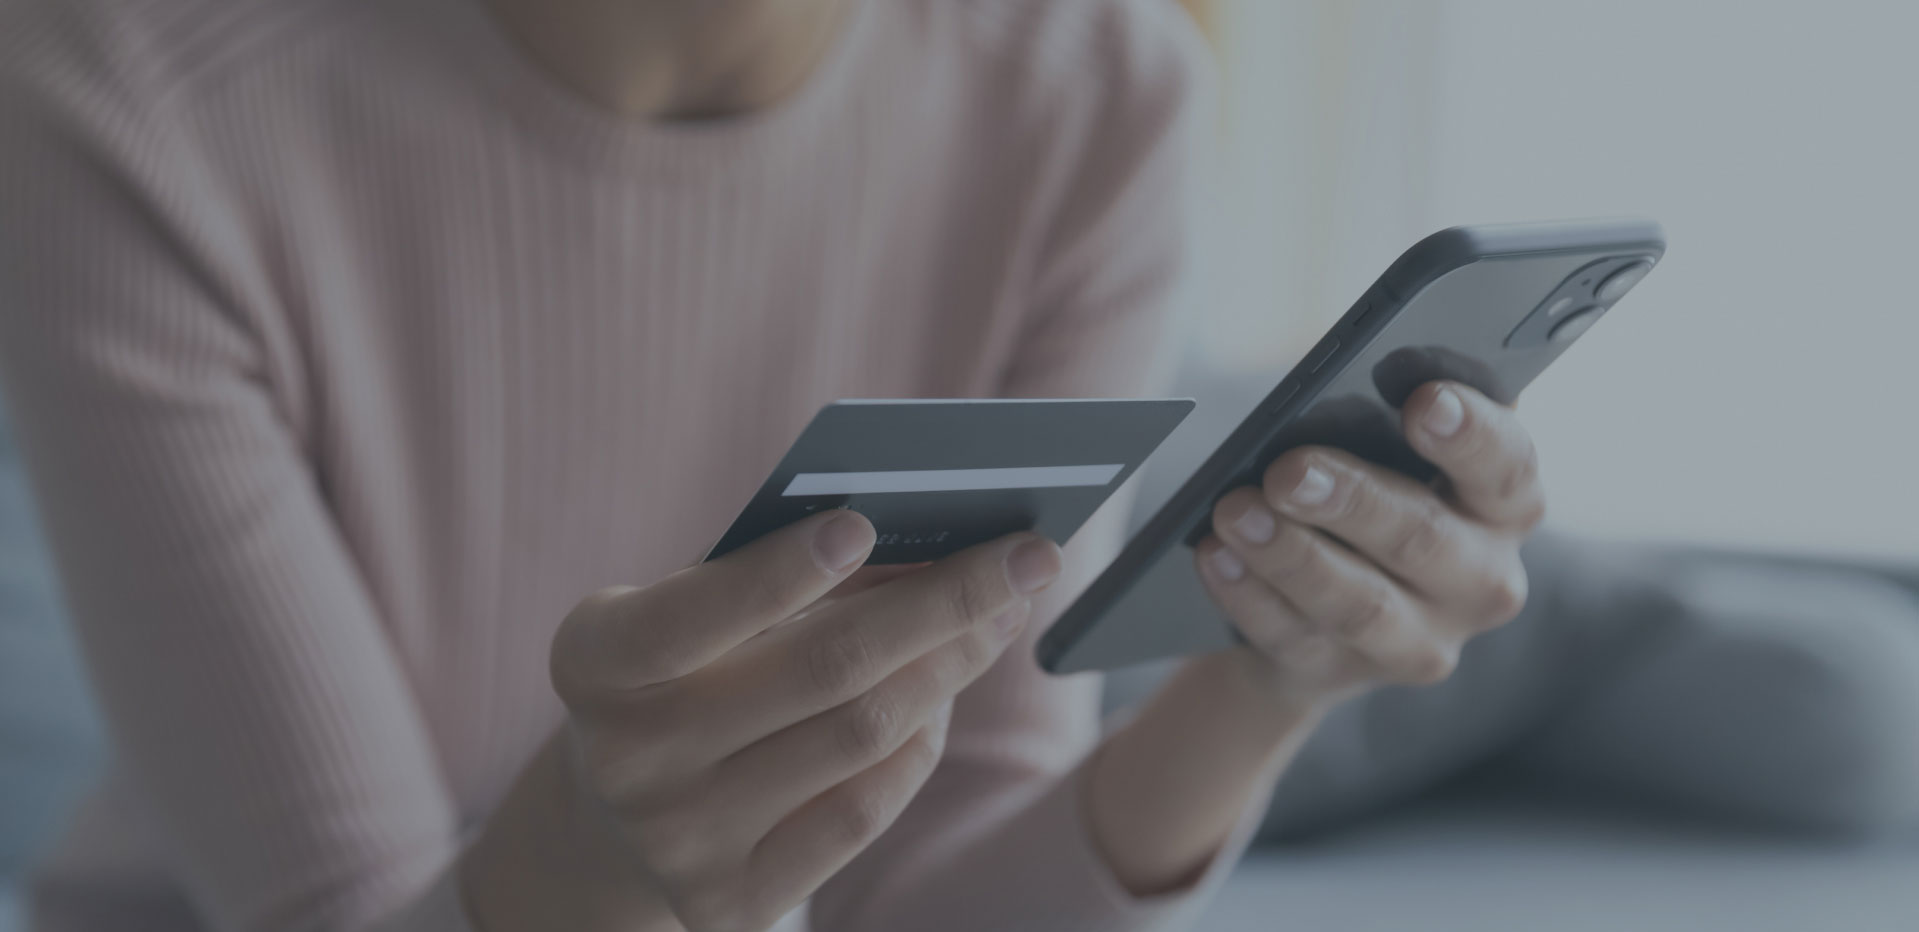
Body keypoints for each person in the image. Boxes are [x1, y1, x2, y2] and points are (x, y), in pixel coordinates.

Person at [0, 1, 1547, 929]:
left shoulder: (1092, 93)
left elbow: (931, 871)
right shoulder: (125, 96)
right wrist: (589, 877)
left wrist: (1260, 683)